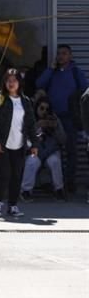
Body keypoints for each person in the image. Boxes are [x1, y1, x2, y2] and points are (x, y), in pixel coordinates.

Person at [0, 69, 38, 218]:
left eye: (14, 80)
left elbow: (31, 124)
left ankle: (13, 205)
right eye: (8, 80)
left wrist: (34, 144)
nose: (11, 83)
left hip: (19, 144)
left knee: (16, 175)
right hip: (2, 144)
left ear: (19, 83)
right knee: (5, 173)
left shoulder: (25, 101)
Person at [35, 44, 88, 193]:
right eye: (58, 53)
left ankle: (69, 183)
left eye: (64, 53)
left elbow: (85, 91)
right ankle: (52, 183)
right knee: (52, 150)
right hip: (52, 117)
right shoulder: (53, 72)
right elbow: (39, 84)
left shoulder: (75, 72)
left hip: (70, 117)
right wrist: (51, 69)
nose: (60, 56)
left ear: (70, 56)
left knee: (71, 151)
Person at [20, 99, 67, 202]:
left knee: (54, 161)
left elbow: (63, 140)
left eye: (47, 109)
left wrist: (55, 128)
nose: (44, 111)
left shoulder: (54, 120)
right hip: (35, 151)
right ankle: (26, 191)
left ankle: (59, 189)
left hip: (50, 151)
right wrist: (37, 126)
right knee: (32, 162)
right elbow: (24, 140)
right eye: (41, 108)